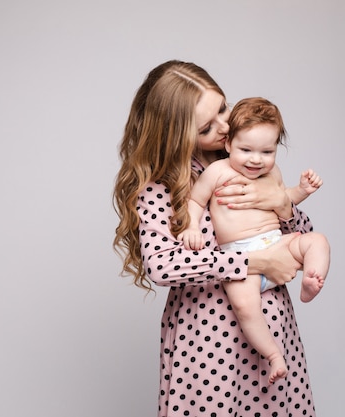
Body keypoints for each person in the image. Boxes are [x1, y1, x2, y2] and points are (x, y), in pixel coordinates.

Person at [113, 60, 317, 417]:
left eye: (223, 108)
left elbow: (301, 236)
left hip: (273, 328)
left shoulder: (247, 156)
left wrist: (281, 202)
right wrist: (252, 262)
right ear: (177, 135)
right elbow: (162, 265)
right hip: (211, 341)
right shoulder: (160, 188)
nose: (225, 126)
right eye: (208, 126)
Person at [178, 97, 330, 385]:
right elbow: (195, 201)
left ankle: (312, 279)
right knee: (247, 308)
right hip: (242, 259)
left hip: (277, 244)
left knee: (317, 241)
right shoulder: (217, 172)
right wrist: (191, 228)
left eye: (266, 151)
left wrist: (301, 190)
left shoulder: (272, 173)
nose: (256, 159)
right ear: (228, 145)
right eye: (245, 150)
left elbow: (283, 200)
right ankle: (273, 355)